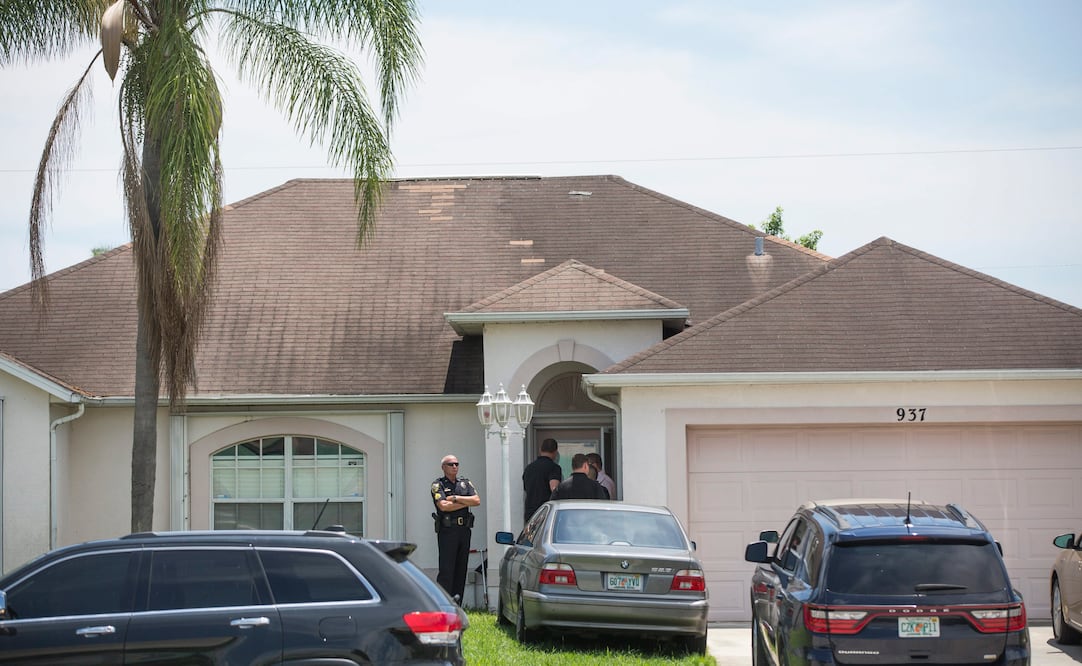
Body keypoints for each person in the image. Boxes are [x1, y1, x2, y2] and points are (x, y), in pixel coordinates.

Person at [430, 454, 479, 604]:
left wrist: (456, 499)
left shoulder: (465, 483)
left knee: (461, 569)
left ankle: (458, 605)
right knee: (447, 570)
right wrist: (466, 502)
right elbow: (443, 506)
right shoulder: (438, 485)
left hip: (464, 530)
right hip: (448, 531)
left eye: (457, 464)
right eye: (451, 464)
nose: (455, 467)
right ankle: (444, 604)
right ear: (443, 467)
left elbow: (476, 500)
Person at [522, 438, 562, 520]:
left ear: (540, 449)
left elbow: (526, 488)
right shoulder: (554, 468)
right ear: (555, 452)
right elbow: (554, 488)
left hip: (530, 512)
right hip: (546, 512)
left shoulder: (529, 468)